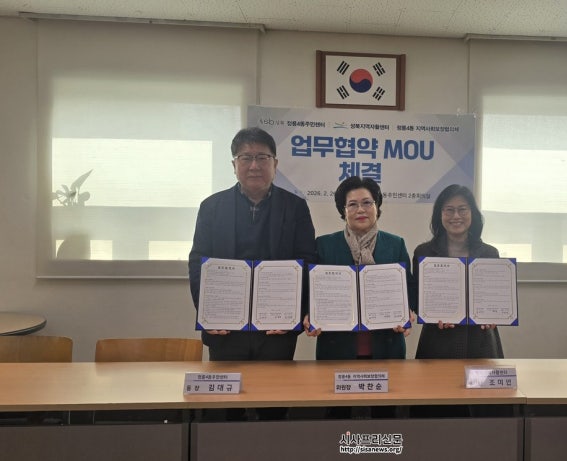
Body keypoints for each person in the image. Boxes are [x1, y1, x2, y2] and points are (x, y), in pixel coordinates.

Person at [188, 127, 317, 418]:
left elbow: (308, 260)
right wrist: (208, 313)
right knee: (224, 411)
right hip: (225, 328)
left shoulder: (295, 207)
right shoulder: (211, 207)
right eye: (246, 157)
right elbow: (197, 262)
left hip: (276, 329)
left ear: (275, 163)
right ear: (234, 164)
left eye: (262, 157)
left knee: (272, 407)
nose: (254, 165)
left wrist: (294, 314)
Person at [304, 176, 414, 418]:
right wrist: (310, 315)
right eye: (352, 204)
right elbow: (312, 292)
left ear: (377, 206)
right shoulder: (324, 245)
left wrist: (408, 313)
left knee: (385, 416)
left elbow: (408, 290)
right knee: (337, 416)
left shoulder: (395, 244)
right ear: (343, 210)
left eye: (367, 202)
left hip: (386, 345)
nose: (360, 209)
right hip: (337, 347)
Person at [411, 184, 506, 418]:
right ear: (439, 215)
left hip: (480, 341)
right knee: (437, 408)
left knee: (483, 410)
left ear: (473, 214)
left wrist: (494, 315)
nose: (456, 216)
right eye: (449, 210)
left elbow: (495, 298)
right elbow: (417, 298)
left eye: (463, 209)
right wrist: (429, 313)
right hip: (438, 340)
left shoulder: (489, 253)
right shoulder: (424, 252)